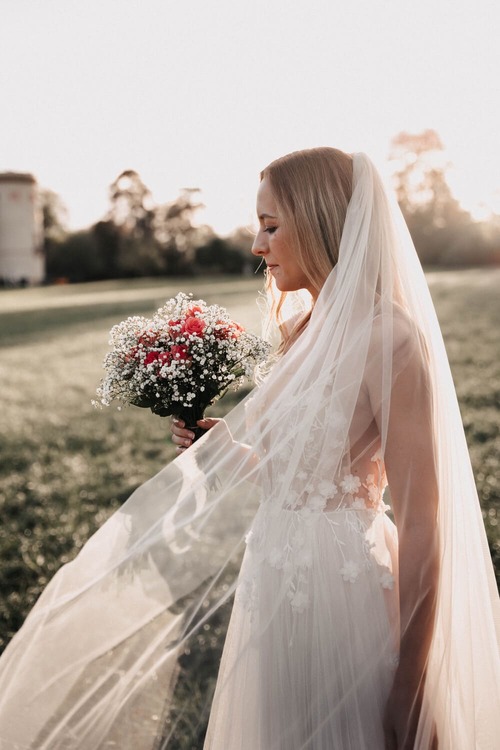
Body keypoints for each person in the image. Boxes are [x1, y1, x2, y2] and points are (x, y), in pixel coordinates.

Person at [0, 149, 498, 750]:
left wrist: (410, 683)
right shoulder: (301, 331)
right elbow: (299, 473)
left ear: (318, 222)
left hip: (347, 595)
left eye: (271, 226)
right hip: (273, 579)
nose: (257, 246)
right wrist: (228, 449)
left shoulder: (391, 340)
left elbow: (423, 520)